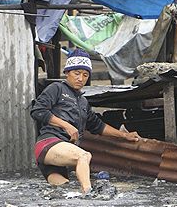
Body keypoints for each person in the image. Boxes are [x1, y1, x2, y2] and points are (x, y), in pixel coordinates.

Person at [30, 49, 139, 194]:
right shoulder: (56, 88)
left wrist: (124, 135)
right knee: (84, 156)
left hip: (58, 159)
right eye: (76, 73)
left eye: (85, 75)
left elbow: (98, 126)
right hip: (48, 144)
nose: (81, 78)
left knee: (64, 192)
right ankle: (89, 193)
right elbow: (38, 110)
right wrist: (66, 125)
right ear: (67, 72)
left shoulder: (83, 102)